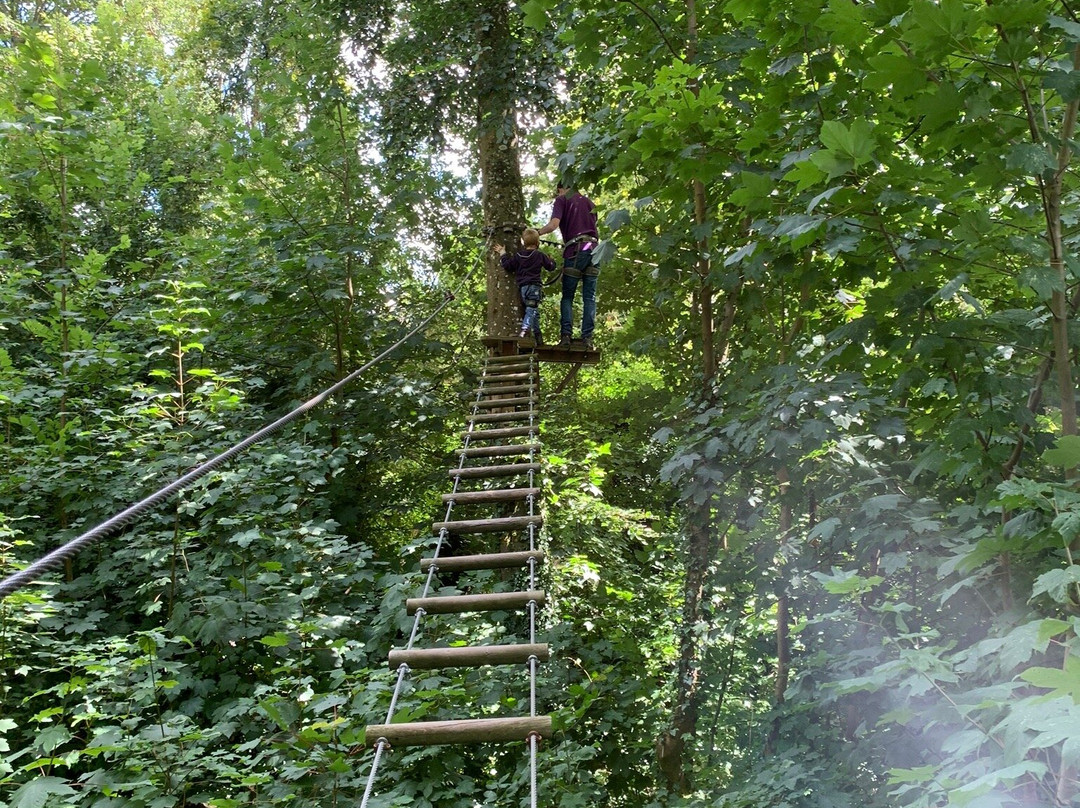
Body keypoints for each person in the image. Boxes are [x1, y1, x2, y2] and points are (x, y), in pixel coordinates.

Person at [537, 183, 599, 351]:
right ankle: (587, 338)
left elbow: (553, 224)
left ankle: (566, 336)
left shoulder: (562, 200)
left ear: (561, 189)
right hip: (594, 251)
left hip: (576, 250)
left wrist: (537, 233)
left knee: (568, 297)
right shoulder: (589, 202)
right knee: (589, 298)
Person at [495, 228, 554, 343]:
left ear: (523, 243)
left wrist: (503, 253)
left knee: (533, 311)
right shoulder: (539, 255)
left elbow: (507, 265)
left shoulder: (519, 256)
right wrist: (551, 261)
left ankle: (538, 335)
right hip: (534, 287)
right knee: (531, 310)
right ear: (537, 243)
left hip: (523, 289)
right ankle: (524, 330)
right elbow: (551, 267)